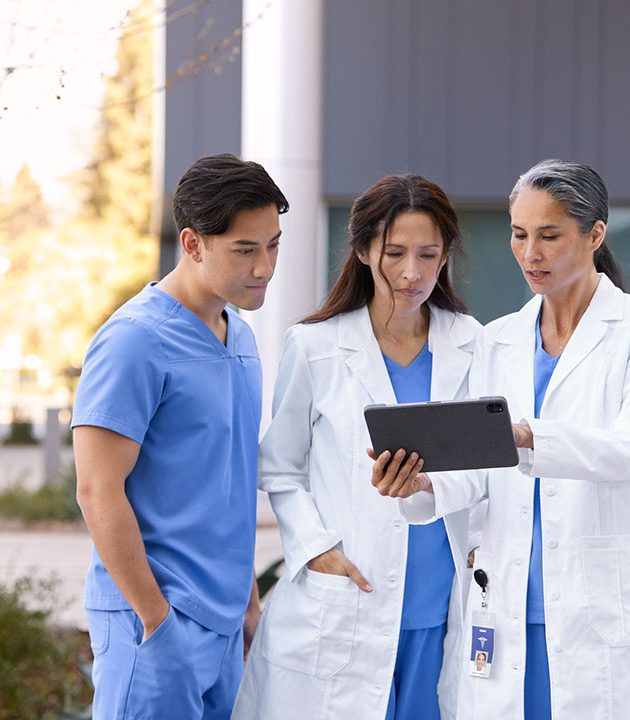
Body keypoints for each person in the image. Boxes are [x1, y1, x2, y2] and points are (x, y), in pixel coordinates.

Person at [395, 160, 630, 719]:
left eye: (549, 236)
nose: (531, 254)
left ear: (595, 234)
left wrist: (529, 437)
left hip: (602, 596)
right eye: (519, 235)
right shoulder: (498, 340)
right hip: (510, 592)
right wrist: (424, 484)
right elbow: (480, 469)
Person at [232, 174, 481, 720]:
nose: (412, 272)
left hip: (441, 604)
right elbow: (279, 467)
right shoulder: (315, 346)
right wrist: (315, 550)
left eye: (428, 254)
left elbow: (488, 466)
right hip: (347, 595)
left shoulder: (474, 343)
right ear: (365, 251)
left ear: (445, 256)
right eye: (394, 253)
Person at [72, 154, 288, 719]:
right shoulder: (133, 341)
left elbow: (230, 484)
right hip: (155, 624)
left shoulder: (240, 339)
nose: (265, 267)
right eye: (245, 249)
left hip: (227, 627)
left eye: (273, 246)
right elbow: (96, 490)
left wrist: (247, 604)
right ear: (192, 244)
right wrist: (155, 620)